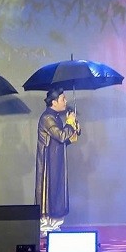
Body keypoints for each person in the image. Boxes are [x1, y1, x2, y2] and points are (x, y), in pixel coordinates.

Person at [35, 87, 80, 233]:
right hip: (49, 163)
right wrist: (69, 123)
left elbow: (62, 140)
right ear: (54, 102)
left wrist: (72, 133)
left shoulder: (55, 117)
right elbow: (60, 136)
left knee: (57, 190)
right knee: (49, 191)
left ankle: (54, 223)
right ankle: (46, 224)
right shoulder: (47, 118)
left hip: (56, 161)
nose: (65, 101)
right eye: (63, 99)